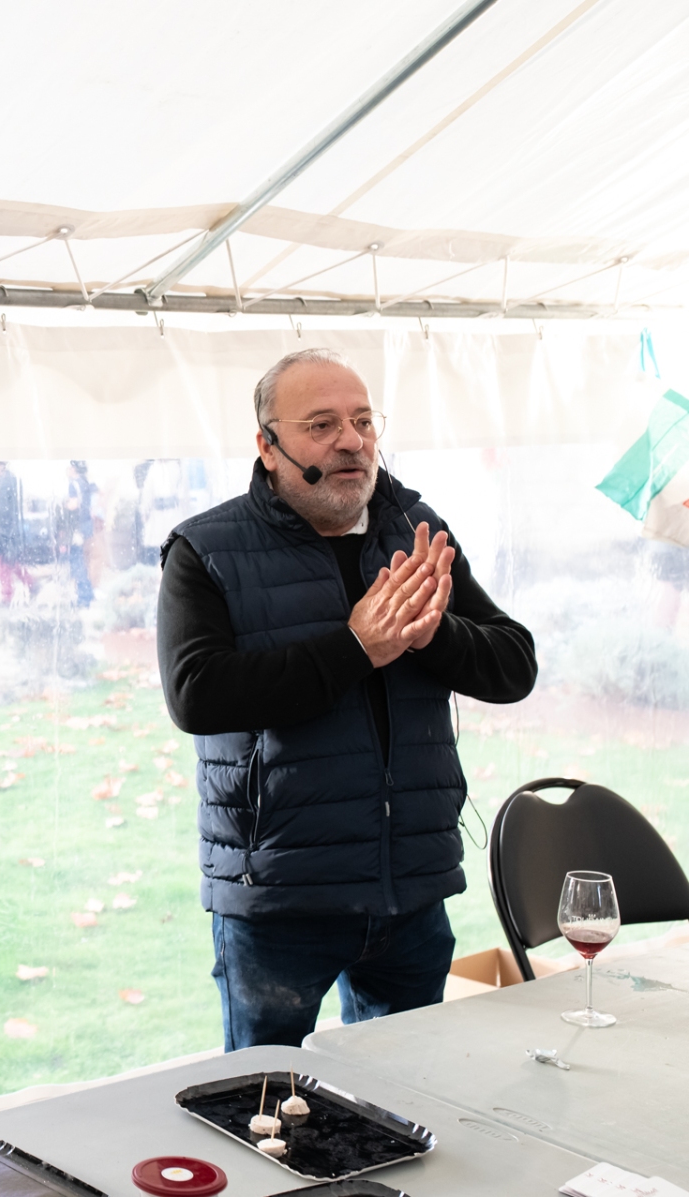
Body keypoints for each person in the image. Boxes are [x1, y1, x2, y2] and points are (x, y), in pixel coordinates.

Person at [155, 347, 536, 1051]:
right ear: (268, 446)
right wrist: (356, 647)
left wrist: (433, 634)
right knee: (265, 1097)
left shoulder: (414, 530)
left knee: (404, 1094)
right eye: (322, 425)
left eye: (363, 421)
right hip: (279, 901)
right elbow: (197, 694)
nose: (352, 441)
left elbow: (514, 666)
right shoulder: (205, 549)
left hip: (411, 893)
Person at [0, 461, 34, 604]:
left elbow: (1, 508)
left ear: (1, 465)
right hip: (9, 528)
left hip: (5, 529)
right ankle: (30, 583)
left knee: (3, 563)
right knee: (11, 561)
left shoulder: (4, 482)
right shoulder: (7, 480)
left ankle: (7, 595)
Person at [63, 460, 98, 606]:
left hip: (77, 528)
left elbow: (74, 504)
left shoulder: (74, 484)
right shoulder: (85, 482)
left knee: (77, 561)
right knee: (83, 560)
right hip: (86, 525)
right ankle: (87, 594)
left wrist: (63, 505)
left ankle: (83, 596)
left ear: (74, 468)